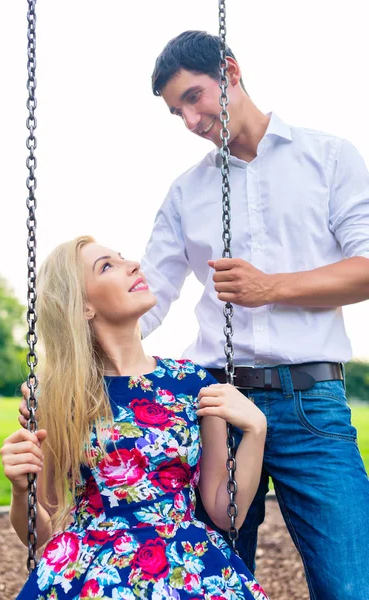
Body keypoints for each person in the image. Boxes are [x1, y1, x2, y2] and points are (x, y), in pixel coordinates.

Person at [138, 30, 369, 600]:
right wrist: (74, 352)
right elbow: (150, 297)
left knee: (350, 583)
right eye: (176, 111)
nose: (189, 120)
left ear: (231, 72)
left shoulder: (329, 156)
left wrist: (272, 287)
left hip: (310, 404)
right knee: (214, 584)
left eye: (193, 97)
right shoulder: (186, 192)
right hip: (216, 404)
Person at [2, 235, 270, 599]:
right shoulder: (62, 395)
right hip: (89, 569)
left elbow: (226, 514)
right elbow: (44, 533)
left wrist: (255, 430)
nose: (133, 265)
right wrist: (21, 491)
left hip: (183, 564)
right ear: (83, 307)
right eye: (107, 266)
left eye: (123, 257)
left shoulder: (191, 382)